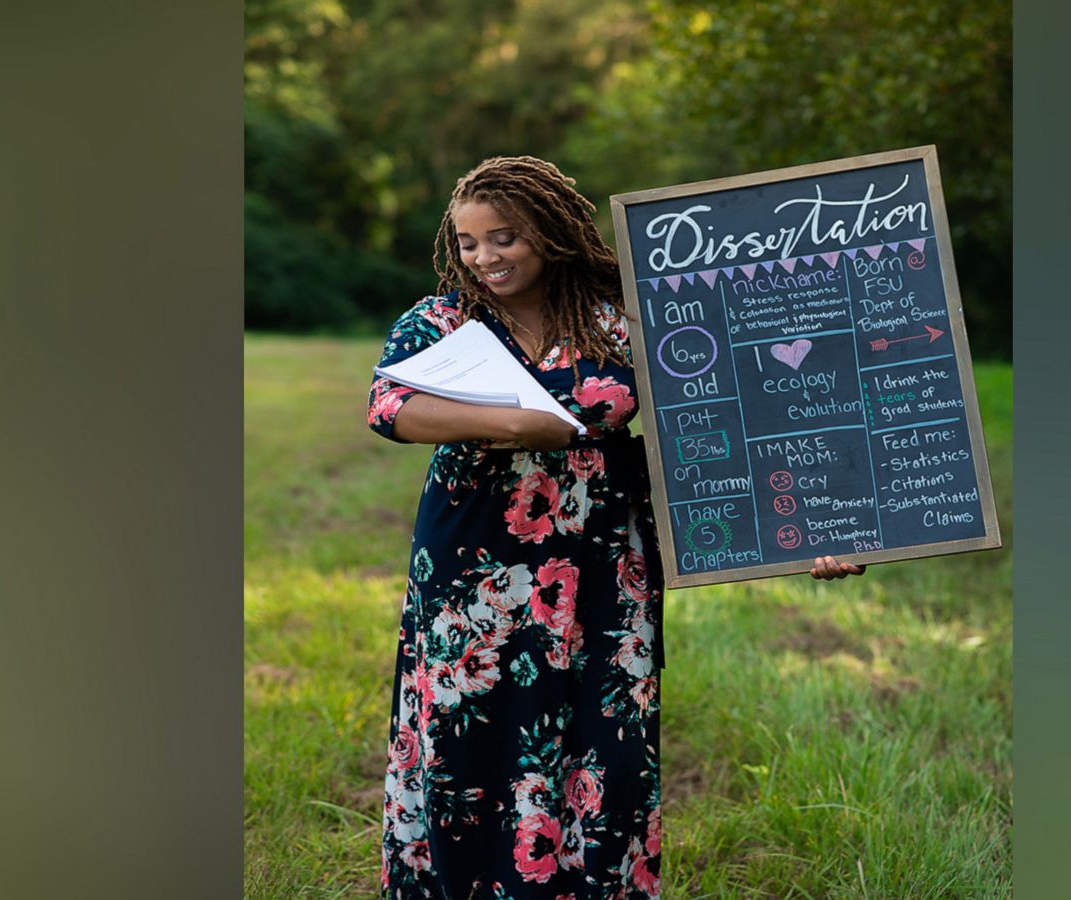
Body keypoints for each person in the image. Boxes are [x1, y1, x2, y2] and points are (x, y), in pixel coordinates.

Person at [367, 156, 861, 899]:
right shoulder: (442, 319)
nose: (484, 258)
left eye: (504, 238)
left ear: (551, 232)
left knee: (605, 741)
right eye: (469, 243)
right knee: (466, 734)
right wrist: (516, 421)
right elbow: (389, 408)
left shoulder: (622, 318)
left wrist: (816, 530)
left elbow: (726, 425)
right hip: (473, 568)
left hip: (603, 562)